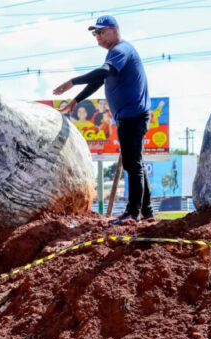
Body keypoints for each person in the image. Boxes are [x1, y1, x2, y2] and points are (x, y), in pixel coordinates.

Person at [52, 14, 152, 223]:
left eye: (101, 31)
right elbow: (100, 80)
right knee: (137, 164)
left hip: (132, 116)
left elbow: (103, 71)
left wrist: (73, 81)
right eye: (95, 33)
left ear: (115, 30)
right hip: (131, 115)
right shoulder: (115, 54)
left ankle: (133, 213)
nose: (97, 36)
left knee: (133, 165)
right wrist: (76, 100)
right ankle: (147, 212)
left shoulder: (120, 50)